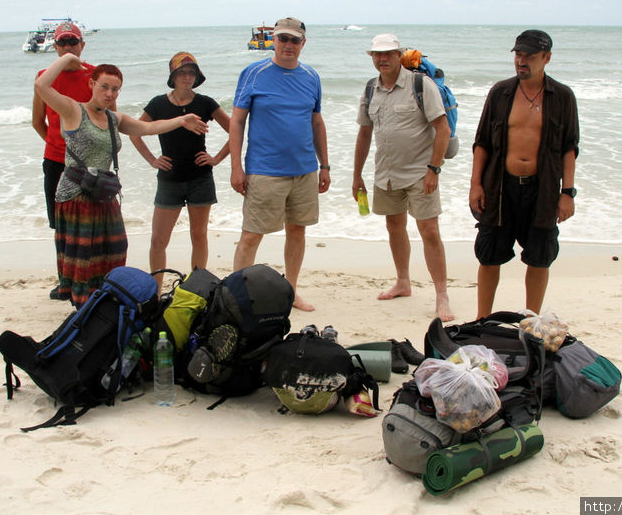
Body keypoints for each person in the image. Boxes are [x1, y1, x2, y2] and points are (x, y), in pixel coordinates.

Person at [34, 52, 209, 309]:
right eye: (104, 87)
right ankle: (84, 307)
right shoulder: (73, 110)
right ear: (91, 84)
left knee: (114, 249)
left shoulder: (114, 119)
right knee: (85, 258)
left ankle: (106, 301)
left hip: (103, 193)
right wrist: (69, 57)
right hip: (77, 195)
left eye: (115, 89)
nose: (110, 93)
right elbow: (41, 86)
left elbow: (149, 128)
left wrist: (182, 120)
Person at [469, 29, 579, 320]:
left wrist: (567, 192)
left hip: (541, 189)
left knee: (540, 256)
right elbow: (482, 143)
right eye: (518, 54)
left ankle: (531, 319)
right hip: (500, 186)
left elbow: (570, 148)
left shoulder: (563, 97)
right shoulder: (501, 92)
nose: (522, 61)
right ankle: (483, 320)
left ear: (547, 58)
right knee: (490, 253)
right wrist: (475, 186)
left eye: (529, 56)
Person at [229, 17, 330, 312]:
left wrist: (325, 165)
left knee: (297, 231)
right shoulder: (254, 73)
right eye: (283, 39)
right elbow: (237, 120)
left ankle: (291, 291)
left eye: (294, 40)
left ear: (303, 43)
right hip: (264, 170)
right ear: (274, 40)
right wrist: (237, 167)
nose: (288, 45)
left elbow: (316, 121)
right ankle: (237, 298)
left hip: (304, 170)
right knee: (251, 235)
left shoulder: (311, 77)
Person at [352, 33, 454, 322]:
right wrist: (357, 174)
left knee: (429, 232)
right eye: (376, 54)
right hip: (385, 173)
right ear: (371, 57)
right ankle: (403, 282)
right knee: (394, 226)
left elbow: (442, 128)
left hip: (420, 173)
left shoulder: (421, 85)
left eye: (388, 54)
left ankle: (442, 295)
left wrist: (434, 170)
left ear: (399, 56)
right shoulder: (371, 88)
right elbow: (364, 133)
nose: (382, 59)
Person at [129, 52, 231, 292]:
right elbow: (135, 132)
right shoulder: (158, 103)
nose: (187, 77)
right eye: (182, 72)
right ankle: (154, 291)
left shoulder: (205, 103)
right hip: (169, 180)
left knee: (199, 236)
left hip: (200, 178)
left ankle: (195, 289)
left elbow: (235, 131)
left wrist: (216, 158)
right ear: (173, 76)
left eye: (191, 73)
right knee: (158, 241)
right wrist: (152, 159)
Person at [31, 21, 101, 301]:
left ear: (82, 45)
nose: (69, 47)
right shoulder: (43, 77)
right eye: (63, 43)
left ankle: (92, 279)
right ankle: (66, 282)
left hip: (90, 164)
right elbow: (38, 122)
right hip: (56, 162)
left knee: (91, 224)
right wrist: (59, 148)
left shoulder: (96, 75)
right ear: (55, 47)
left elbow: (108, 119)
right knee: (61, 225)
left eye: (74, 42)